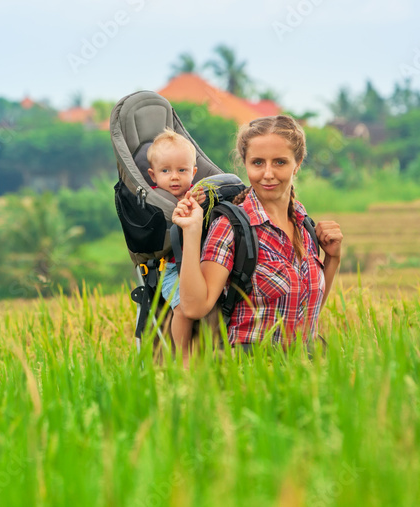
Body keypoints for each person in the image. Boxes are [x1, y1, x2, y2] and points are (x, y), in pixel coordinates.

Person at [172, 115, 343, 356]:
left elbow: (307, 311)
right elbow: (194, 307)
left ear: (298, 163)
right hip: (250, 373)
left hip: (306, 371)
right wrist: (191, 231)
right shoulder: (231, 227)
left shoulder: (305, 226)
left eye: (280, 162)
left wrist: (332, 259)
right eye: (258, 162)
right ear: (245, 164)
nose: (268, 174)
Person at [145, 129, 202, 366]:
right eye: (165, 171)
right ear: (153, 175)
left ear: (193, 172)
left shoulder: (197, 195)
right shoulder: (156, 200)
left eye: (182, 170)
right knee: (182, 308)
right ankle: (184, 354)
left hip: (199, 265)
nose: (175, 177)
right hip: (171, 270)